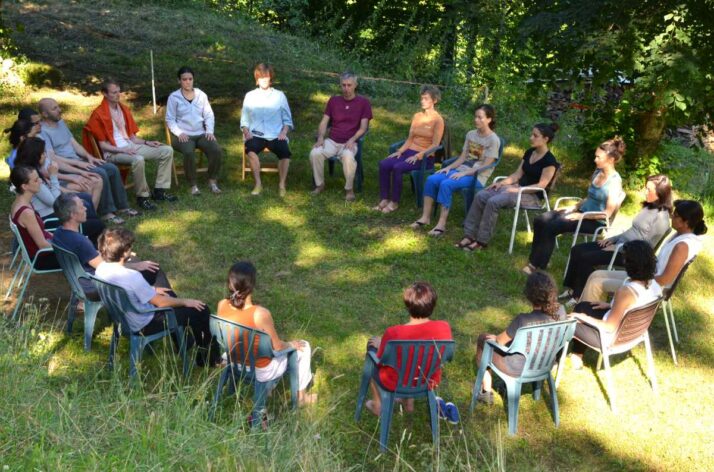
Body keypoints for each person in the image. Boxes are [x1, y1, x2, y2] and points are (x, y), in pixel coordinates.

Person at [94, 228, 218, 366]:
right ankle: (208, 359)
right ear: (124, 252)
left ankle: (183, 341)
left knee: (165, 291)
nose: (132, 247)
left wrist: (152, 290)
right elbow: (161, 303)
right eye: (130, 246)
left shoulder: (101, 269)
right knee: (201, 309)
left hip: (121, 318)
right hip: (144, 323)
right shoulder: (132, 277)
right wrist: (186, 301)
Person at [216, 261, 317, 405]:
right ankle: (301, 398)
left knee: (266, 348)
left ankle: (268, 389)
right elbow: (277, 347)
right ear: (251, 286)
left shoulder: (222, 305)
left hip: (233, 360)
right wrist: (291, 344)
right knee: (303, 347)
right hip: (259, 370)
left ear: (229, 284)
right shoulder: (260, 314)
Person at [560, 174, 672, 303]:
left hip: (630, 255)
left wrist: (620, 248)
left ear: (660, 193)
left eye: (649, 190)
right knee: (577, 250)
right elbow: (632, 230)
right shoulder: (649, 206)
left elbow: (644, 247)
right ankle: (571, 288)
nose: (645, 192)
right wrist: (612, 239)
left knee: (586, 258)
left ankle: (578, 296)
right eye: (645, 188)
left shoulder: (661, 218)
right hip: (619, 244)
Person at [523, 137, 625, 273]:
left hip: (596, 221)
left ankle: (536, 265)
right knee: (541, 220)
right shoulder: (597, 172)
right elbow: (590, 197)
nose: (595, 160)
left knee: (553, 226)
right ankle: (539, 259)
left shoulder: (614, 182)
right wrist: (573, 207)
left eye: (598, 157)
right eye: (595, 156)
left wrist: (580, 216)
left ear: (611, 160)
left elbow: (607, 213)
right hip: (582, 212)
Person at [455, 123, 560, 251]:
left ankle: (481, 241)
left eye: (535, 136)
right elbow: (517, 174)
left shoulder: (550, 161)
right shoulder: (529, 152)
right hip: (516, 189)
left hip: (532, 196)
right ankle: (469, 235)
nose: (531, 138)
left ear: (545, 139)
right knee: (482, 195)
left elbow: (541, 185)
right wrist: (502, 183)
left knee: (494, 201)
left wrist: (517, 189)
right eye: (531, 134)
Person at [580, 199, 707, 303]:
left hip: (652, 287)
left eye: (676, 216)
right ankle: (597, 313)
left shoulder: (683, 245)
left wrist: (636, 280)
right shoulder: (679, 235)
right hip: (647, 278)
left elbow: (665, 280)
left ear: (686, 222)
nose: (672, 216)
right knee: (595, 275)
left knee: (597, 284)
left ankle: (588, 320)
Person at [38, 97, 136, 224]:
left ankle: (123, 206)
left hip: (78, 160)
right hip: (66, 167)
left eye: (58, 106)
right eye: (54, 108)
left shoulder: (61, 123)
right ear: (45, 114)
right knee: (100, 173)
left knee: (111, 168)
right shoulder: (43, 132)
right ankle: (106, 212)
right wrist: (80, 164)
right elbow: (53, 158)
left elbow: (75, 144)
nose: (59, 110)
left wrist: (90, 157)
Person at [84, 78, 177, 211]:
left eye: (119, 92)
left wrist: (147, 142)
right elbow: (103, 146)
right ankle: (143, 197)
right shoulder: (98, 114)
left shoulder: (124, 109)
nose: (118, 95)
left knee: (166, 150)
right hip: (113, 152)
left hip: (130, 146)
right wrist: (123, 151)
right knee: (138, 159)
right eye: (114, 92)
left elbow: (132, 138)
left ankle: (160, 191)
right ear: (104, 93)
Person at [473, 271, 564, 404]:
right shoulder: (561, 311)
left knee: (484, 340)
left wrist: (492, 338)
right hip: (546, 364)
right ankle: (504, 387)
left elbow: (500, 341)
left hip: (518, 368)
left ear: (529, 295)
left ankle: (486, 392)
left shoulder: (523, 320)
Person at [569, 240, 662, 369]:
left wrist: (582, 318)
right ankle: (577, 354)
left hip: (612, 339)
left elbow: (609, 327)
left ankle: (555, 360)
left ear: (630, 264)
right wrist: (610, 305)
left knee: (569, 320)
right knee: (583, 306)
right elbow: (634, 307)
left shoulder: (626, 292)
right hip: (633, 334)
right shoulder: (654, 285)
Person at [363, 282, 452, 416]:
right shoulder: (444, 328)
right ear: (433, 305)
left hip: (395, 382)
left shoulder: (394, 333)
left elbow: (381, 360)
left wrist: (382, 345)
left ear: (408, 306)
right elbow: (448, 356)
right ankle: (408, 401)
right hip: (427, 380)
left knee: (372, 351)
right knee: (415, 359)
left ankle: (378, 405)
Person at [411, 104, 500, 236]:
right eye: (475, 117)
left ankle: (441, 225)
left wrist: (464, 173)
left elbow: (485, 165)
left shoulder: (493, 140)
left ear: (489, 119)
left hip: (477, 177)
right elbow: (462, 157)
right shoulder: (471, 134)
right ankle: (425, 217)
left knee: (446, 184)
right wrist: (448, 168)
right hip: (460, 171)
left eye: (480, 117)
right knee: (432, 179)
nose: (476, 120)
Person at [9, 108, 104, 209]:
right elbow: (44, 185)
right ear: (22, 138)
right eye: (35, 124)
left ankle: (88, 216)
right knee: (89, 185)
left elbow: (45, 176)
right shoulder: (23, 156)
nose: (39, 125)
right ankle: (85, 217)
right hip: (48, 191)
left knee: (94, 181)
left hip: (51, 183)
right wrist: (68, 184)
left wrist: (78, 173)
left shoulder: (31, 147)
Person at [15, 137, 104, 243]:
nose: (45, 155)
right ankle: (90, 244)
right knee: (96, 222)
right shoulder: (32, 178)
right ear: (35, 156)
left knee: (85, 199)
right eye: (43, 153)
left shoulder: (31, 171)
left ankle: (90, 239)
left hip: (54, 211)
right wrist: (53, 176)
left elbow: (51, 191)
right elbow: (54, 201)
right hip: (51, 218)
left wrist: (71, 194)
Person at [374, 85, 445, 213]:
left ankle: (394, 202)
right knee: (384, 164)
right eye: (422, 98)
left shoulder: (438, 120)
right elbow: (410, 139)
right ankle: (384, 198)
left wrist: (418, 156)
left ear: (434, 100)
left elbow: (435, 145)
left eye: (426, 98)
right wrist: (400, 151)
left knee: (398, 168)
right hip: (409, 151)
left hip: (425, 157)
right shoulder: (417, 116)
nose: (422, 101)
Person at [309, 71, 372, 201]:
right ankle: (320, 185)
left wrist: (353, 139)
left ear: (355, 85)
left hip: (350, 141)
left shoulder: (363, 103)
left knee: (348, 157)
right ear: (340, 85)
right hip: (332, 141)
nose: (346, 88)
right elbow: (324, 122)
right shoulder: (334, 101)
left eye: (349, 85)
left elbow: (363, 127)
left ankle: (349, 189)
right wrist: (321, 137)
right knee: (315, 153)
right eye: (343, 85)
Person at [166, 66, 223, 196]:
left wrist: (209, 131)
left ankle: (212, 180)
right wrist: (179, 133)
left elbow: (209, 114)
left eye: (190, 79)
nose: (187, 82)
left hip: (201, 133)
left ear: (193, 79)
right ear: (179, 81)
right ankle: (193, 184)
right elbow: (170, 119)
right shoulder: (174, 97)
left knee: (216, 149)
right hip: (183, 135)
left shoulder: (201, 95)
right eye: (184, 79)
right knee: (188, 152)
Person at [240, 63, 294, 196]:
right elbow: (244, 119)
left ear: (271, 78)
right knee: (250, 150)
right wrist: (246, 132)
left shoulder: (280, 96)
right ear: (257, 80)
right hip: (256, 134)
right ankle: (258, 184)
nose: (264, 79)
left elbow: (287, 119)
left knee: (285, 153)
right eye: (261, 77)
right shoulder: (250, 95)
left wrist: (284, 132)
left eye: (267, 76)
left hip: (275, 134)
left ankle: (282, 184)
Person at [8, 165, 60, 270]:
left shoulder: (20, 203)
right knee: (83, 252)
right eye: (36, 180)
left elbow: (43, 233)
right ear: (25, 186)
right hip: (42, 258)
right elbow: (43, 245)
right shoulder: (26, 213)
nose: (40, 181)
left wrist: (60, 239)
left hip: (43, 251)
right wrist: (67, 248)